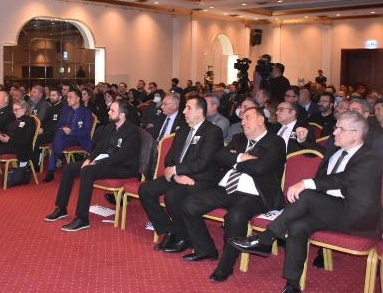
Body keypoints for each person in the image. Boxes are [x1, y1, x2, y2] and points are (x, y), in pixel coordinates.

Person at [229, 111, 382, 293]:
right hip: (329, 210)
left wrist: (306, 183)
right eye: (335, 128)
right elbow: (314, 150)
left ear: (355, 134)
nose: (334, 132)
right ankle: (293, 285)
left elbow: (343, 179)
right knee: (298, 226)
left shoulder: (370, 158)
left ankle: (266, 238)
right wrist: (304, 140)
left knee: (308, 194)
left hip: (356, 217)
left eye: (340, 129)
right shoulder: (336, 150)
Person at [177, 107, 286, 283]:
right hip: (226, 188)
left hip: (255, 194)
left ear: (261, 120)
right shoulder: (239, 138)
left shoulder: (275, 142)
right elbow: (219, 156)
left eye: (247, 118)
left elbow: (261, 167)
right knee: (190, 204)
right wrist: (242, 157)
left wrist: (234, 159)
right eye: (242, 119)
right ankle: (205, 250)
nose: (242, 122)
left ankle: (226, 266)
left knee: (235, 216)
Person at [139, 97, 223, 253]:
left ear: (200, 111)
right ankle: (171, 230)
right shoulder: (183, 130)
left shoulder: (213, 132)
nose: (184, 111)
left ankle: (183, 237)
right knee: (145, 190)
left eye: (188, 108)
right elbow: (169, 158)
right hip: (178, 176)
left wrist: (176, 170)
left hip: (200, 179)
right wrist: (176, 175)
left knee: (173, 196)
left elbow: (202, 162)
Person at [44, 100, 141, 232]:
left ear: (122, 115)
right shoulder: (110, 127)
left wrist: (96, 162)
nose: (109, 112)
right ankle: (61, 208)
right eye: (110, 110)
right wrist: (89, 159)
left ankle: (82, 218)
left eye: (112, 111)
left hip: (123, 167)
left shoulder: (132, 131)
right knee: (70, 168)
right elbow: (99, 148)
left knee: (88, 171)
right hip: (106, 162)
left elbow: (121, 156)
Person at [43, 88, 92, 182]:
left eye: (70, 97)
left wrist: (72, 132)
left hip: (79, 139)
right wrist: (64, 128)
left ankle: (51, 169)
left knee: (56, 142)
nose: (67, 99)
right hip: (66, 137)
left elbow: (86, 132)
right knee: (59, 133)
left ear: (78, 99)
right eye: (67, 97)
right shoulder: (66, 110)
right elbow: (60, 124)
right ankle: (54, 161)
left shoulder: (86, 112)